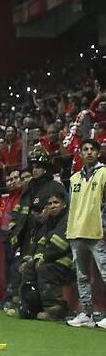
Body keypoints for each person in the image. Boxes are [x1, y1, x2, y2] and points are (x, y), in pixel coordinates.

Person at [65, 140, 106, 328]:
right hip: (76, 231)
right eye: (85, 150)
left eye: (92, 150)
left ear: (98, 153)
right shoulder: (74, 178)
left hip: (97, 231)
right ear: (80, 153)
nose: (89, 153)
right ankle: (86, 314)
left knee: (105, 273)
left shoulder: (104, 173)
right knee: (82, 276)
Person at [18, 192, 74, 321]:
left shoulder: (67, 219)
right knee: (28, 268)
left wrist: (42, 257)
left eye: (56, 203)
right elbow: (38, 242)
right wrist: (29, 259)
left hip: (67, 262)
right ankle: (29, 307)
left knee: (45, 270)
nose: (53, 206)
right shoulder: (48, 222)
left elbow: (59, 245)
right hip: (50, 259)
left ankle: (54, 310)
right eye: (50, 203)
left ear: (64, 204)